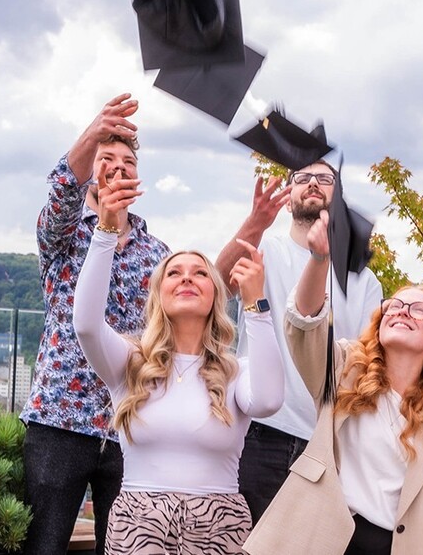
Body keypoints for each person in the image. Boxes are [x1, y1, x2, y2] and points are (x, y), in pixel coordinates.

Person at [73, 162, 284, 554]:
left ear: (215, 296)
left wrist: (257, 303)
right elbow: (86, 325)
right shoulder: (129, 363)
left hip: (220, 525)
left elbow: (270, 400)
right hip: (139, 522)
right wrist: (105, 231)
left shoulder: (234, 371)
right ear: (158, 295)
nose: (187, 277)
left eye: (200, 273)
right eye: (174, 272)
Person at [243, 210, 423, 555]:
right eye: (393, 307)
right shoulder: (344, 370)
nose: (401, 312)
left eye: (418, 310)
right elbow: (305, 322)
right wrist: (320, 258)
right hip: (319, 538)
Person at [21, 93, 171, 555]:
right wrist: (92, 132)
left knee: (127, 547)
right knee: (42, 545)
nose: (118, 167)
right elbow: (62, 190)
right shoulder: (64, 232)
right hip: (59, 419)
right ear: (91, 168)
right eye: (106, 159)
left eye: (127, 160)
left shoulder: (156, 252)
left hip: (130, 425)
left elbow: (188, 311)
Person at [215, 161, 383, 522]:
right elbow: (216, 288)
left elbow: (369, 360)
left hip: (326, 443)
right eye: (302, 178)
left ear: (338, 199)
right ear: (288, 198)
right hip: (258, 433)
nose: (313, 184)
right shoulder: (264, 251)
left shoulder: (365, 281)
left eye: (325, 179)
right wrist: (255, 223)